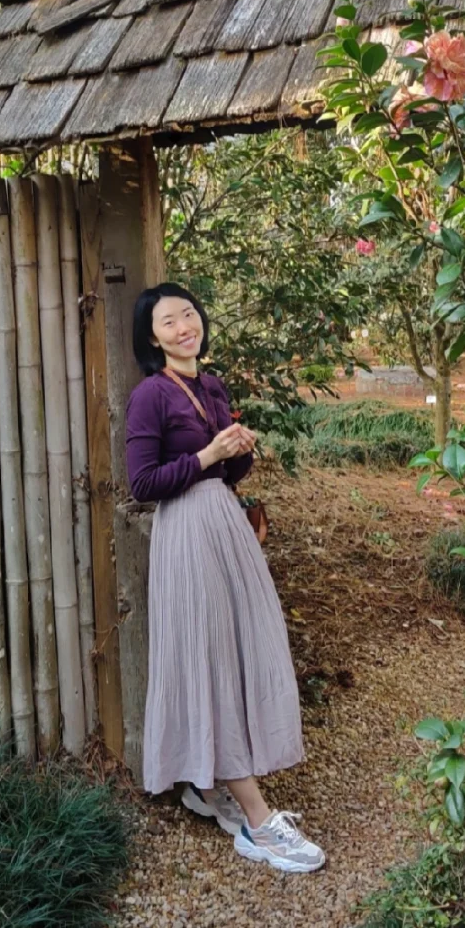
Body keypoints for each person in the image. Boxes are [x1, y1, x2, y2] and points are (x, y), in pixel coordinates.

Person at [125, 282, 326, 873]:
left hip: (226, 526)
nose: (184, 326)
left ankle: (206, 786)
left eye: (189, 314)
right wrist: (207, 458)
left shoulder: (210, 385)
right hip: (186, 533)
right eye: (169, 321)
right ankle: (258, 824)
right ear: (152, 337)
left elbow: (229, 473)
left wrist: (238, 450)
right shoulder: (150, 395)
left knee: (243, 649)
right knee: (209, 658)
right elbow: (143, 484)